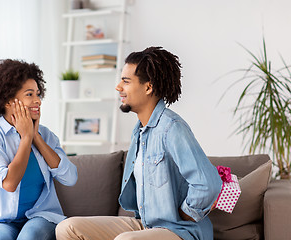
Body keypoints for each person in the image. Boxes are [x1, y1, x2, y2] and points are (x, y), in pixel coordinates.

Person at [56, 47, 222, 240]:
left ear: (148, 87)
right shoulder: (139, 132)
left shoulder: (172, 128)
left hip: (179, 231)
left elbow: (208, 184)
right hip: (145, 225)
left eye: (126, 81)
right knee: (67, 228)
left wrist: (185, 213)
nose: (118, 87)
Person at [0, 59, 78, 240]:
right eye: (29, 95)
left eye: (38, 94)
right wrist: (26, 138)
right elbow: (9, 183)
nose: (38, 101)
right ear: (8, 101)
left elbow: (70, 178)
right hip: (0, 221)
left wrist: (36, 137)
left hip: (42, 216)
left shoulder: (46, 135)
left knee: (31, 236)